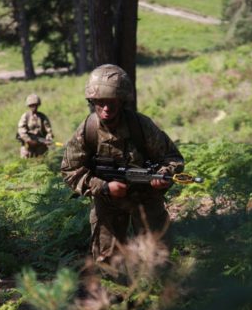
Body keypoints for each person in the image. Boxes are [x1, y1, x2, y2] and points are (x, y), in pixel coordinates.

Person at [61, 64, 184, 264]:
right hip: (107, 202)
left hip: (146, 197)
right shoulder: (88, 130)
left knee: (158, 257)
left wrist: (163, 177)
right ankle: (115, 294)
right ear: (92, 101)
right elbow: (70, 170)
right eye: (100, 102)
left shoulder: (141, 126)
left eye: (112, 102)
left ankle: (158, 293)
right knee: (108, 261)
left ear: (122, 101)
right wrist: (104, 186)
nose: (106, 108)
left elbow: (173, 158)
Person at [17, 94, 54, 158]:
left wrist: (48, 139)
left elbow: (48, 130)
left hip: (40, 146)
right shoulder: (26, 116)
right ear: (29, 106)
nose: (34, 107)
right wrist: (29, 140)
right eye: (32, 105)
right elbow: (21, 130)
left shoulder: (42, 117)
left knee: (41, 163)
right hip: (28, 146)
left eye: (35, 105)